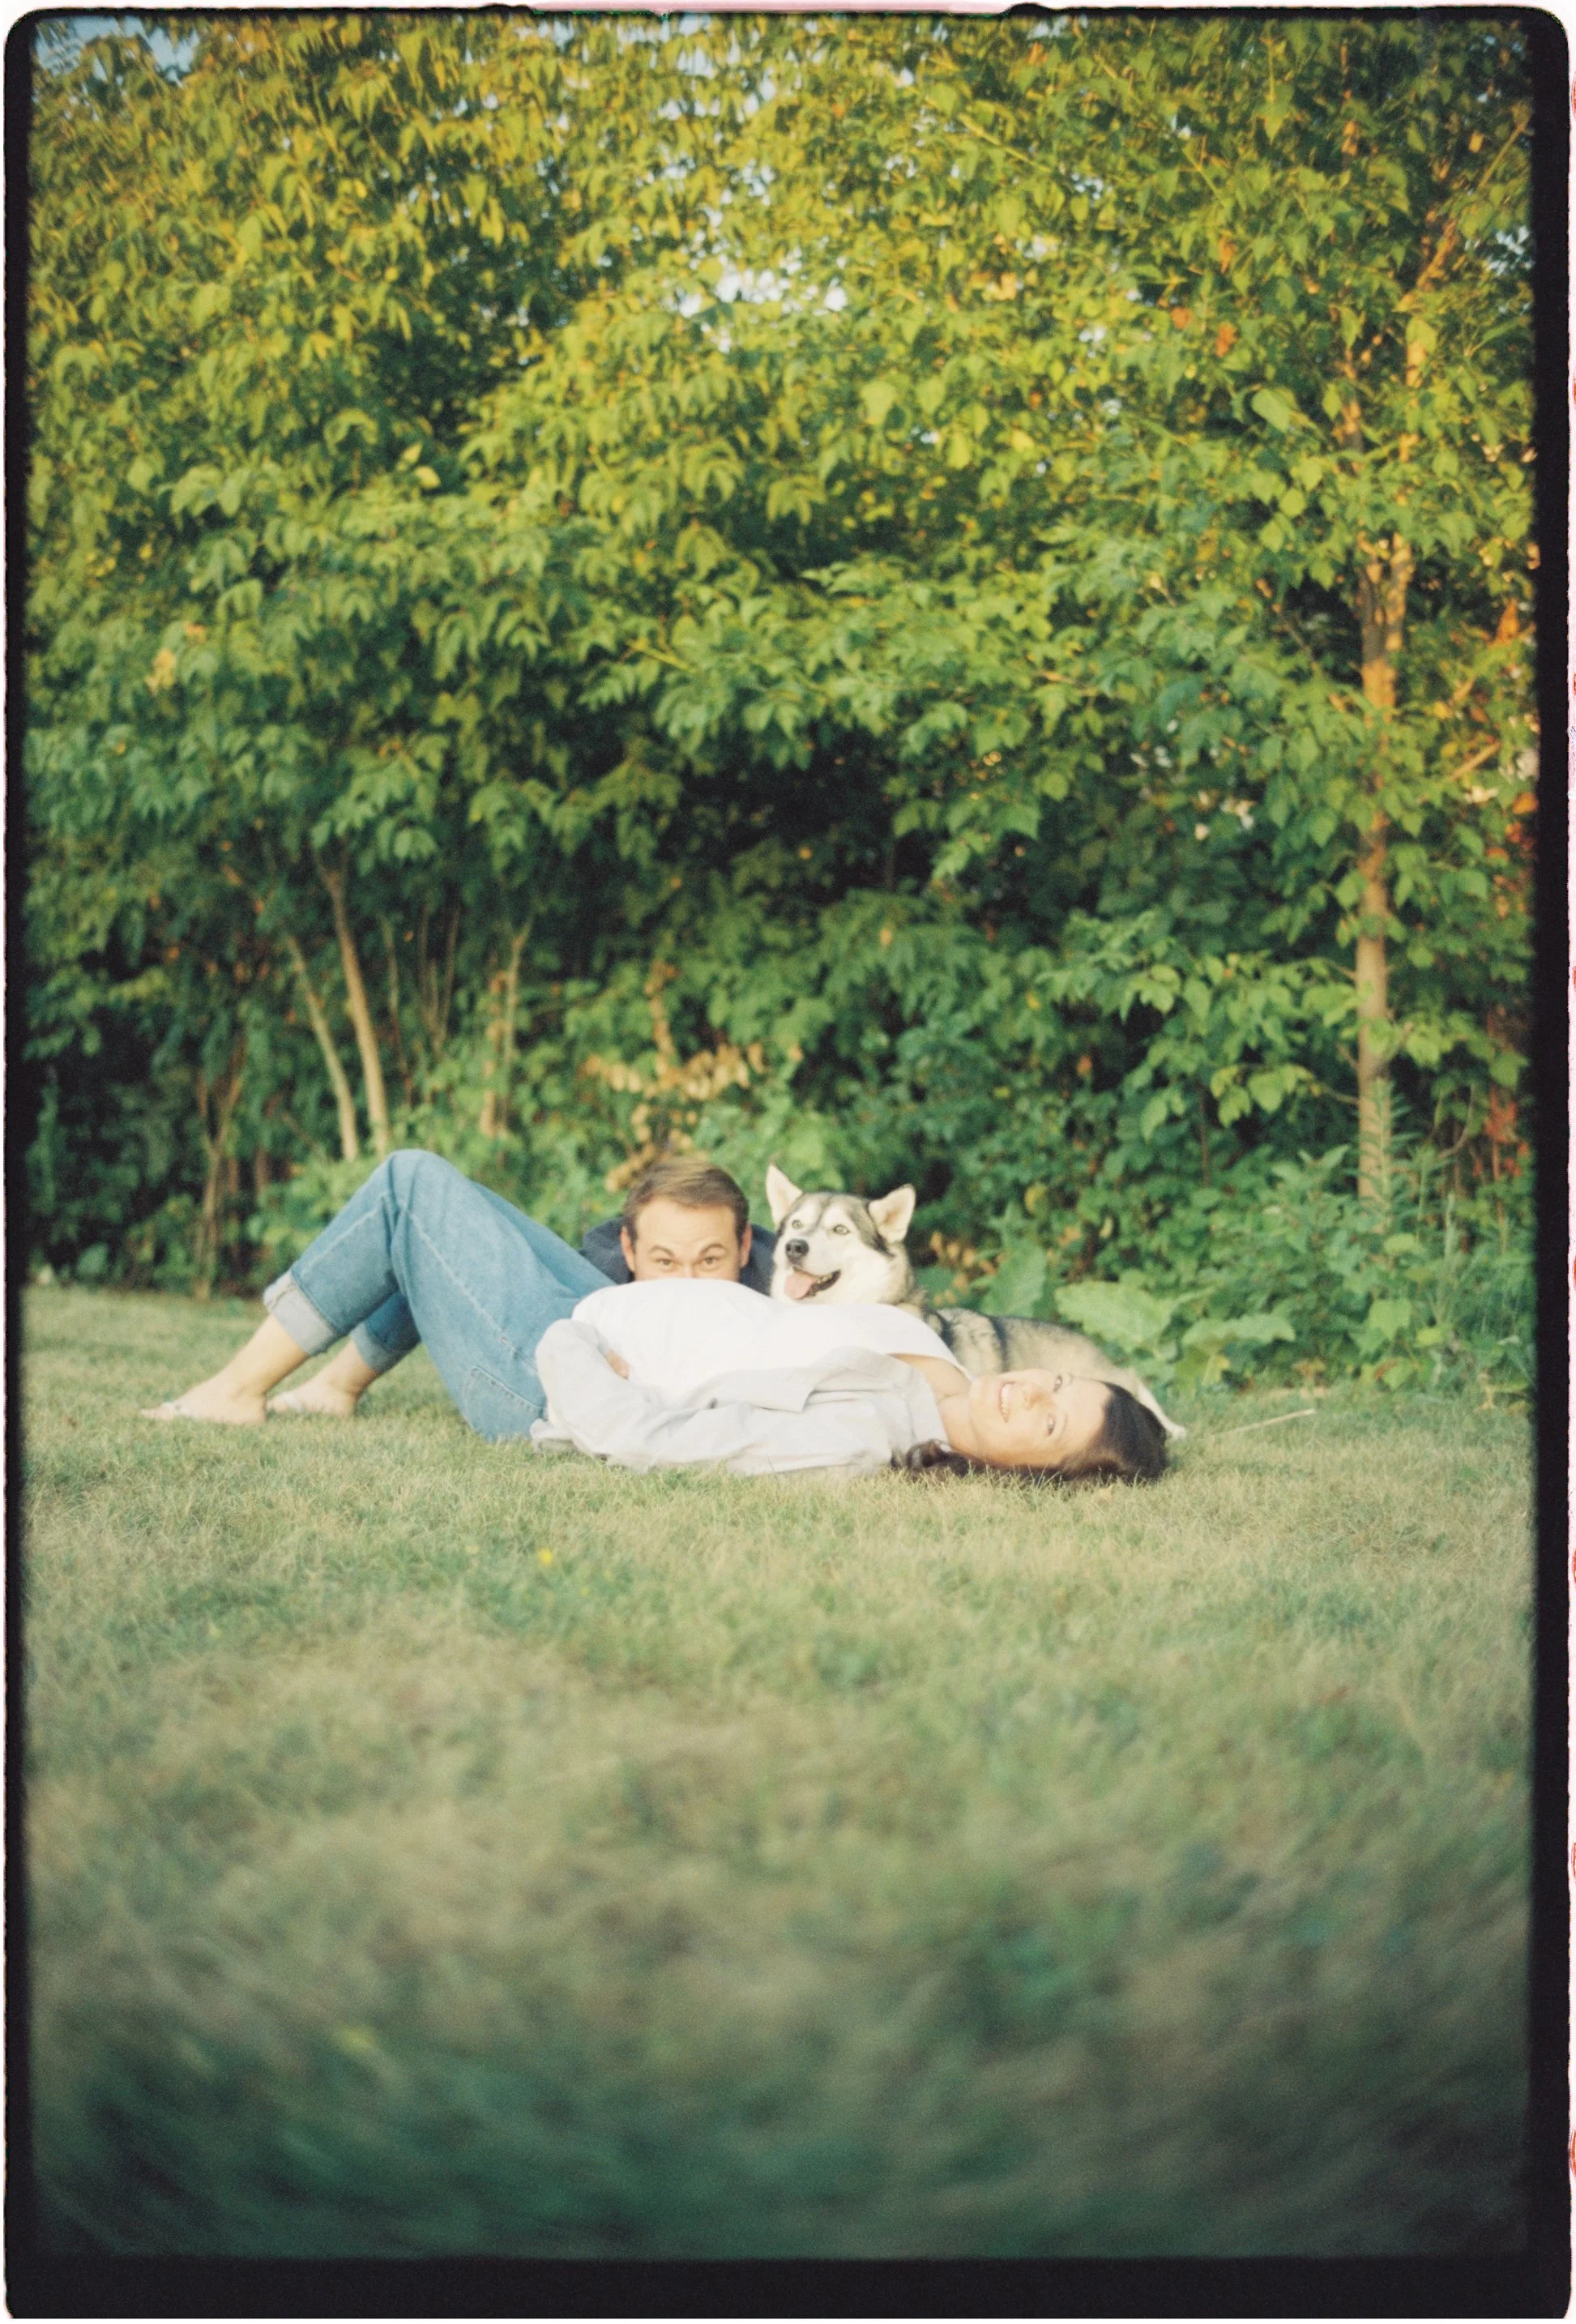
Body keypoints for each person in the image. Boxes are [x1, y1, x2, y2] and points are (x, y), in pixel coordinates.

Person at [141, 1151, 774, 1432]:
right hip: (585, 1330)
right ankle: (335, 1388)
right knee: (446, 1210)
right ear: (628, 1250)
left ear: (747, 1249)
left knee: (406, 1182)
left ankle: (234, 1390)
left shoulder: (786, 1299)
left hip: (564, 1388)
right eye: (665, 1260)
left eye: (710, 1259)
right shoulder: (609, 1271)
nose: (687, 1281)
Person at [529, 1277, 1168, 1484]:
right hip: (619, 1306)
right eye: (1056, 1381)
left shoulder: (857, 1435)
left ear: (1030, 1474)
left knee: (423, 1181)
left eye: (1048, 1421)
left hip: (570, 1369)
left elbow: (643, 1438)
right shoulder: (917, 1387)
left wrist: (568, 1340)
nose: (1030, 1390)